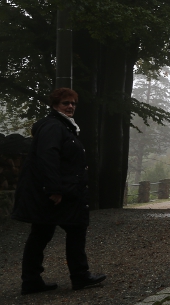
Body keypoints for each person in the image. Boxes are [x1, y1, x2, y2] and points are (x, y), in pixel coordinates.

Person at [12, 88, 106, 294]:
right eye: (65, 103)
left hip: (59, 190)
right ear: (55, 105)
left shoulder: (63, 127)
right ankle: (79, 276)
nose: (70, 106)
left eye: (73, 103)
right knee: (72, 229)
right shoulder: (54, 127)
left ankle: (32, 280)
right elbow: (48, 157)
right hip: (57, 192)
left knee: (42, 233)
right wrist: (53, 189)